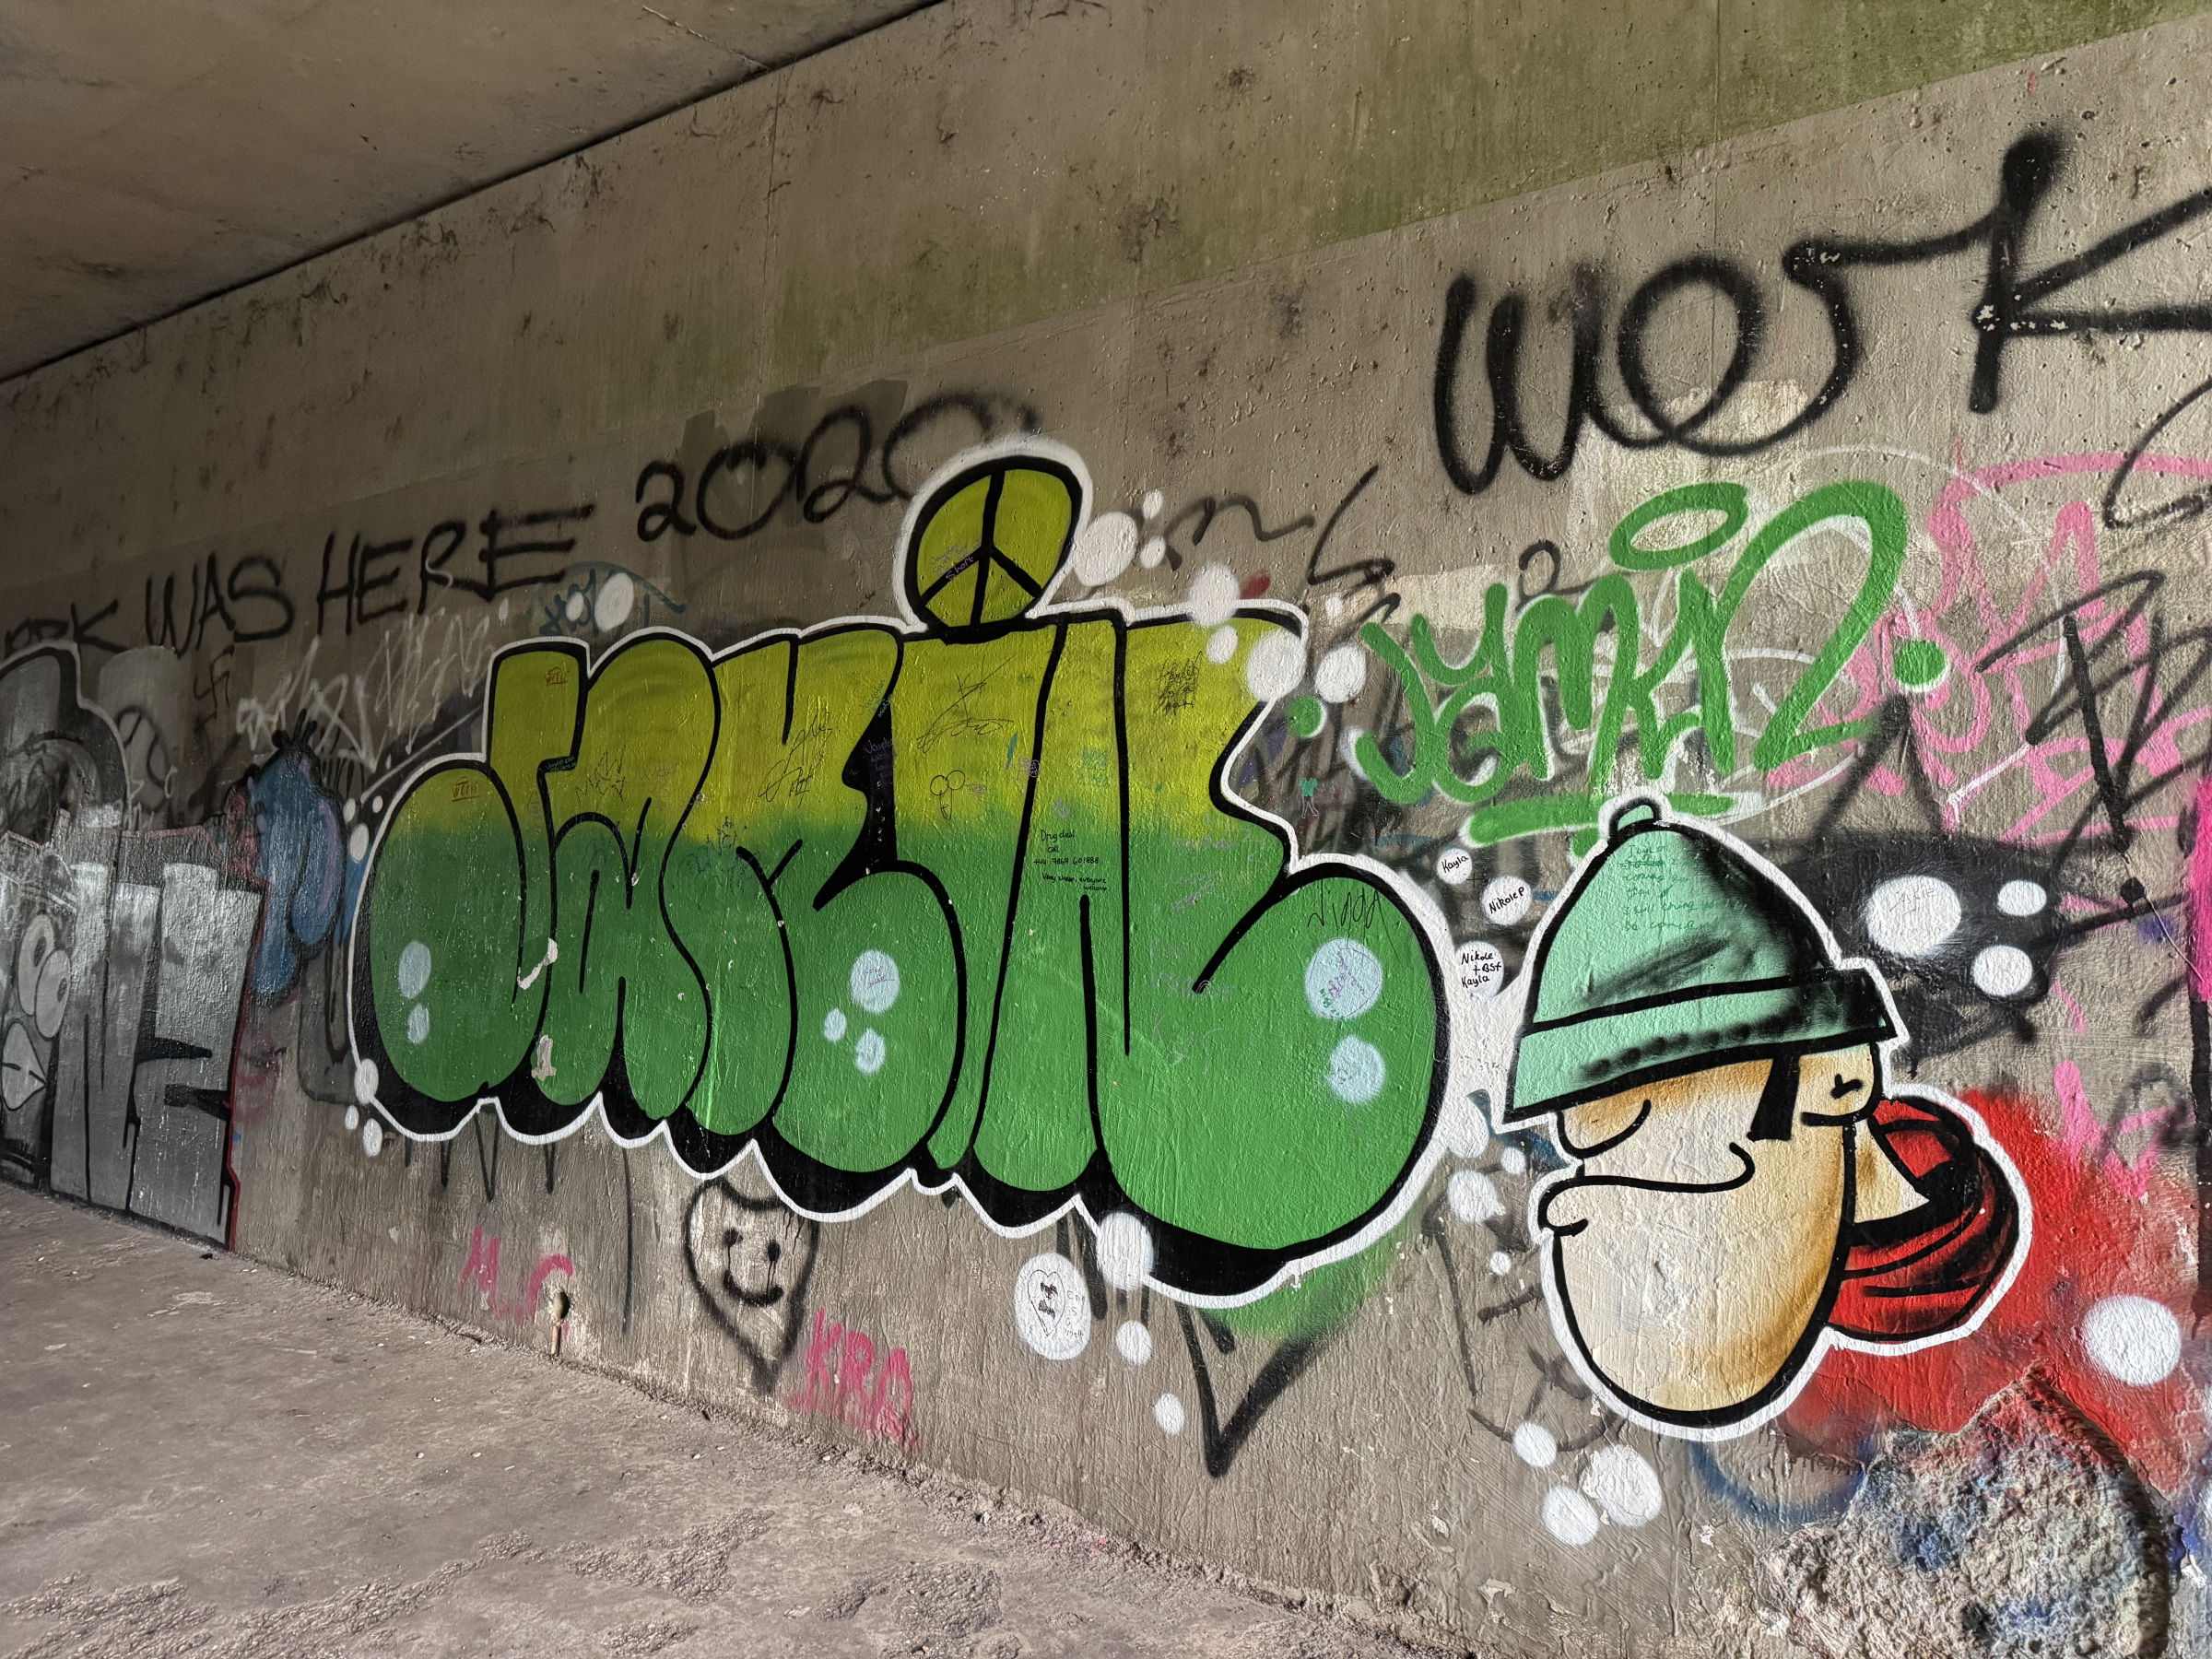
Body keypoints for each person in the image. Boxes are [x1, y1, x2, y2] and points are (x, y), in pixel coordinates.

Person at [1500, 798, 2025, 1438]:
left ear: (1839, 1075)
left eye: (1645, 1113)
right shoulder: (1803, 1276)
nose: (1565, 1204)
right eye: (1592, 1137)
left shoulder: (1991, 1347)